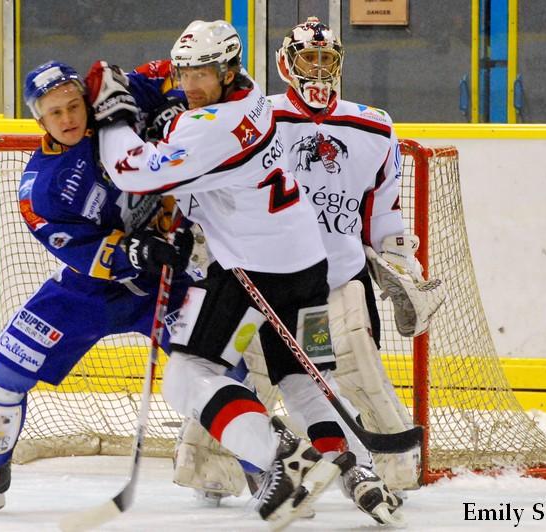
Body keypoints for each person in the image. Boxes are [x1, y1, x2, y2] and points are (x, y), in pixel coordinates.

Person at [167, 17, 447, 526]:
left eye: (326, 58)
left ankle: (364, 470)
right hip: (289, 278)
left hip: (320, 281)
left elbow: (383, 213)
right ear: (284, 64)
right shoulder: (260, 114)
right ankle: (220, 471)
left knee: (325, 376)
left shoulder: (370, 126)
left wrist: (398, 262)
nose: (317, 68)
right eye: (307, 58)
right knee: (268, 375)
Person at [91, 19, 361, 528]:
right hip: (306, 264)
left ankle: (278, 456)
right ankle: (360, 471)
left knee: (187, 376)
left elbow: (132, 171)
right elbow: (185, 120)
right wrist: (150, 86)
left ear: (228, 71)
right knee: (305, 379)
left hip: (253, 273)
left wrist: (113, 119)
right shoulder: (251, 96)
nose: (189, 85)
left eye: (202, 74)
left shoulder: (213, 127)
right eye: (184, 73)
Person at [0, 60, 195, 514]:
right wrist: (138, 250)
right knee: (6, 368)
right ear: (40, 120)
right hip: (89, 291)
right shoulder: (41, 189)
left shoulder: (115, 100)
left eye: (74, 106)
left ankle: (246, 463)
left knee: (215, 367)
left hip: (164, 280)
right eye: (55, 112)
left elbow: (180, 72)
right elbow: (89, 255)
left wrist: (174, 106)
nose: (69, 118)